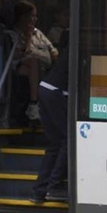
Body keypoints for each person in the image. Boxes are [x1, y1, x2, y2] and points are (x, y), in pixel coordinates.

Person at [30, 40, 70, 204]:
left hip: (46, 88)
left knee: (55, 144)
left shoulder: (72, 43)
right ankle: (55, 186)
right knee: (68, 140)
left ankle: (39, 190)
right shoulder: (84, 45)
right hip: (56, 92)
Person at [9, 0, 59, 124]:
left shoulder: (39, 33)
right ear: (23, 17)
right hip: (22, 64)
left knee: (36, 68)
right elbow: (24, 53)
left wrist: (53, 53)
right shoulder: (13, 34)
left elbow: (52, 48)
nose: (35, 19)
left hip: (42, 65)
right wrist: (29, 36)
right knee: (33, 63)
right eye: (33, 16)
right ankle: (34, 104)